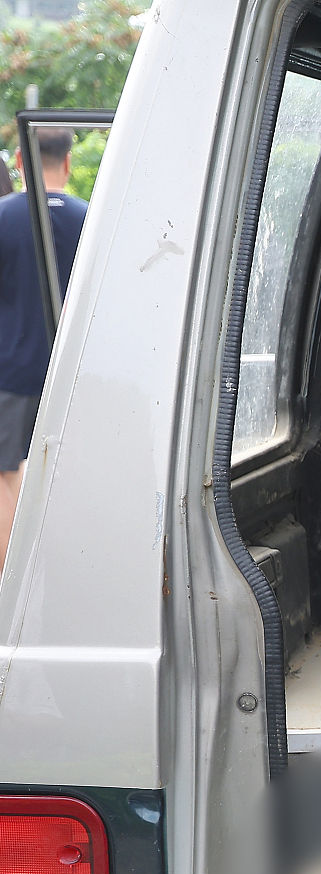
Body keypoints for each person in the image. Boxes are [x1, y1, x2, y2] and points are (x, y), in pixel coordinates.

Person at [0, 127, 87, 571]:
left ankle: (8, 595)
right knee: (69, 479)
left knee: (5, 481)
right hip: (75, 378)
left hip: (10, 376)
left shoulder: (2, 217)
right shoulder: (92, 219)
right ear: (68, 162)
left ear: (20, 159)